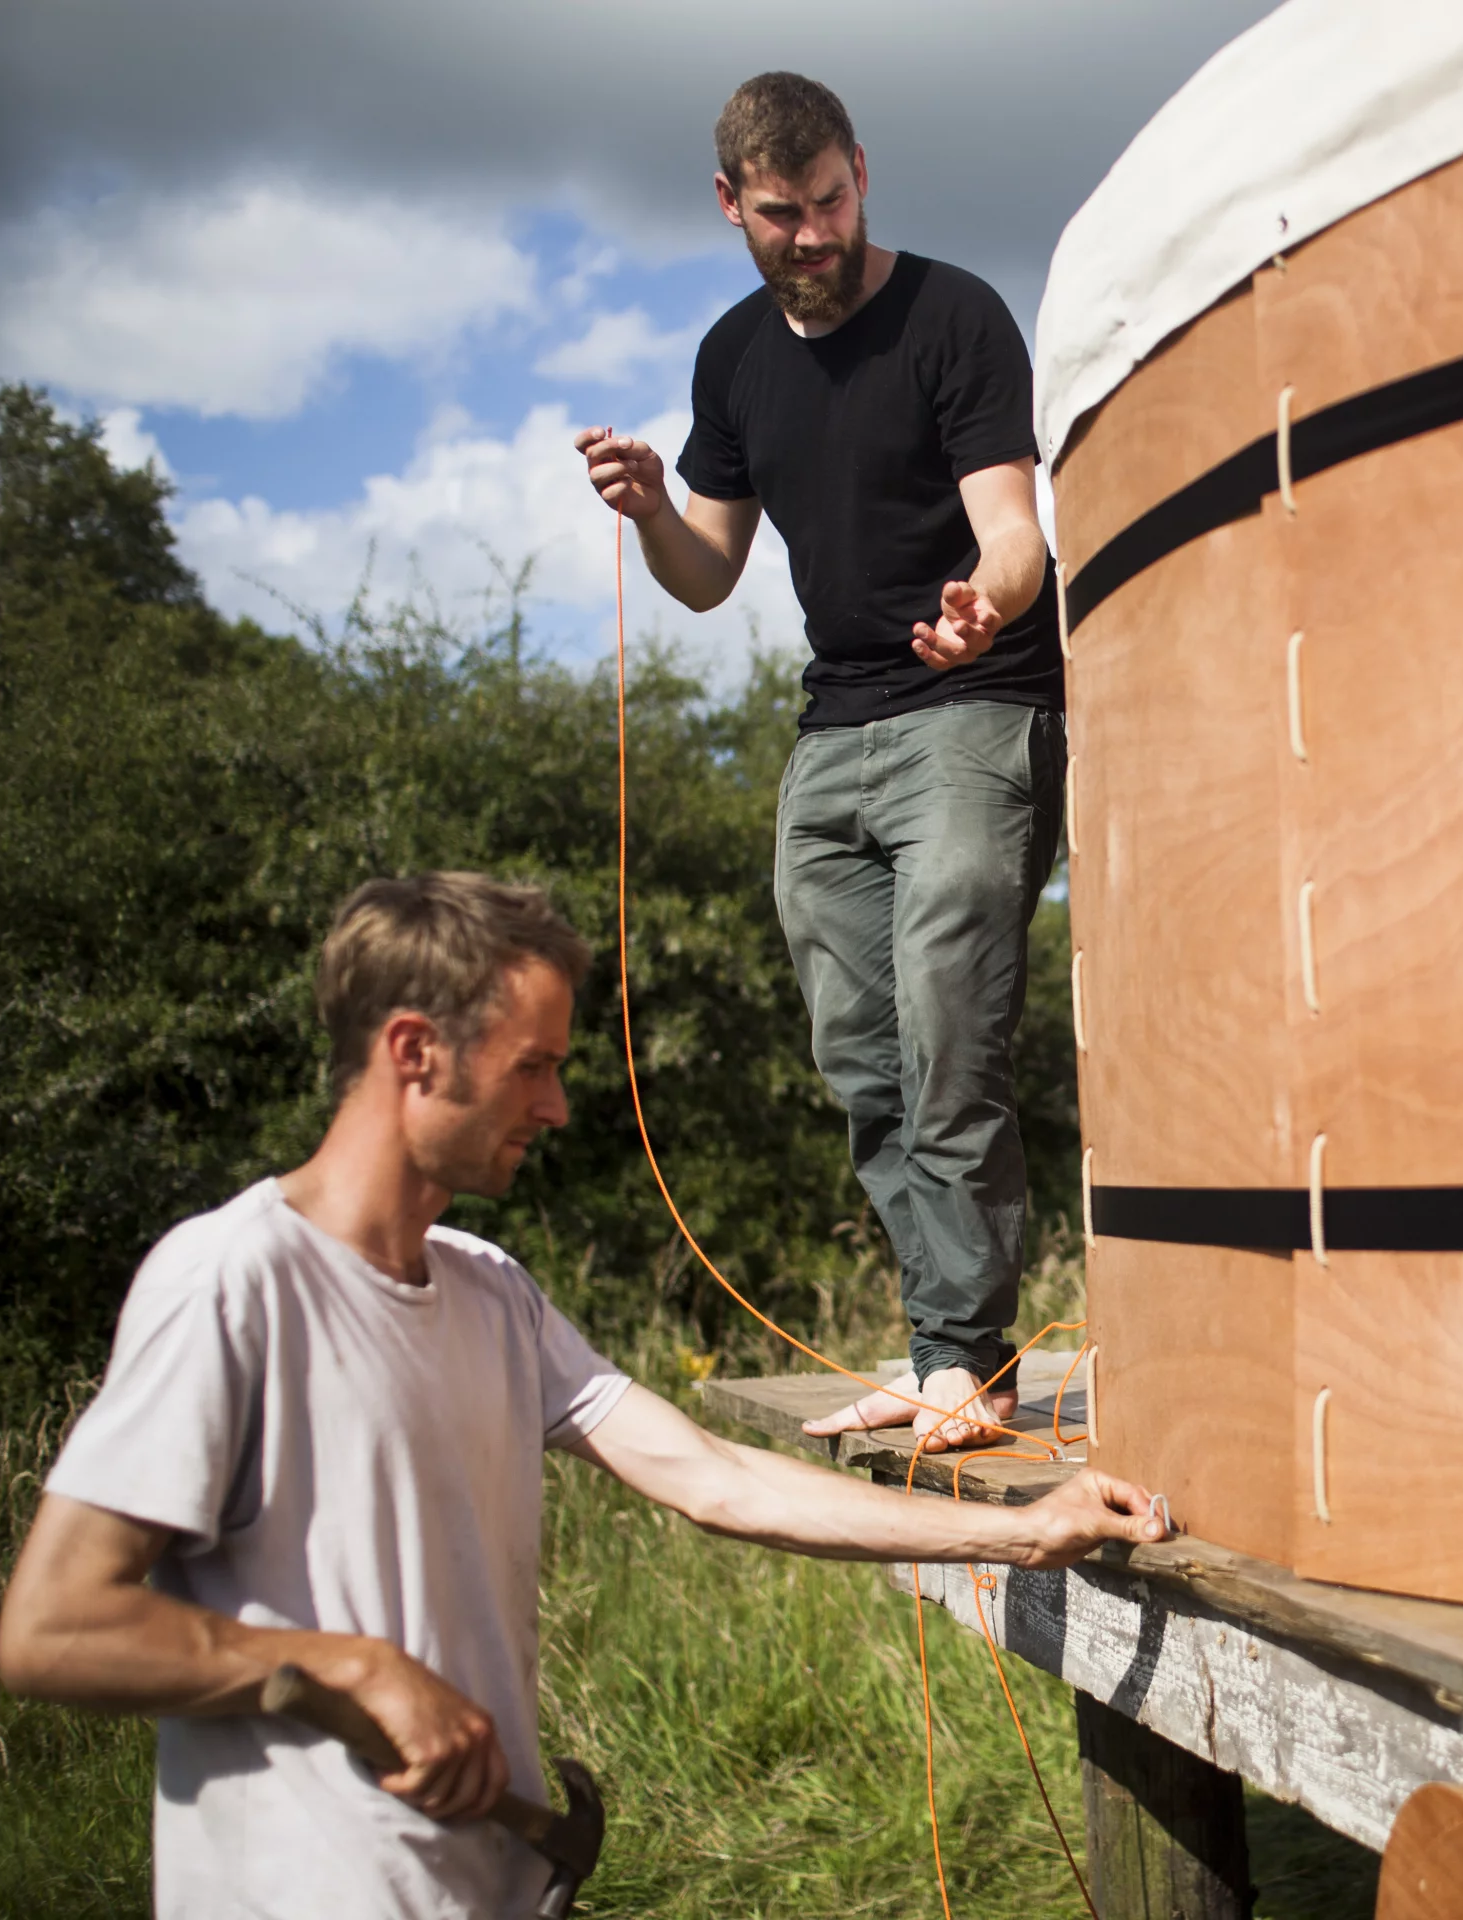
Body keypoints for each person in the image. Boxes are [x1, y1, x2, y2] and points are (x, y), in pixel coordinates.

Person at [0, 873, 1162, 1920]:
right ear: (415, 1052)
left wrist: (1019, 1532)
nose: (555, 1109)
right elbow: (56, 1629)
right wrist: (354, 1666)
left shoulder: (490, 1290)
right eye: (534, 1068)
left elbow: (714, 1477)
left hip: (498, 1883)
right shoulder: (232, 1281)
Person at [576, 72, 1065, 1456]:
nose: (816, 234)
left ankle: (965, 1361)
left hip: (976, 708)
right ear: (733, 205)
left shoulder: (955, 315)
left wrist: (993, 599)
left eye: (835, 201)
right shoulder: (732, 359)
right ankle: (941, 1348)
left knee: (947, 1023)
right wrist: (655, 507)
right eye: (784, 213)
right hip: (832, 731)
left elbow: (1013, 531)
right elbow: (704, 577)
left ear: (864, 170)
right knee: (861, 1056)